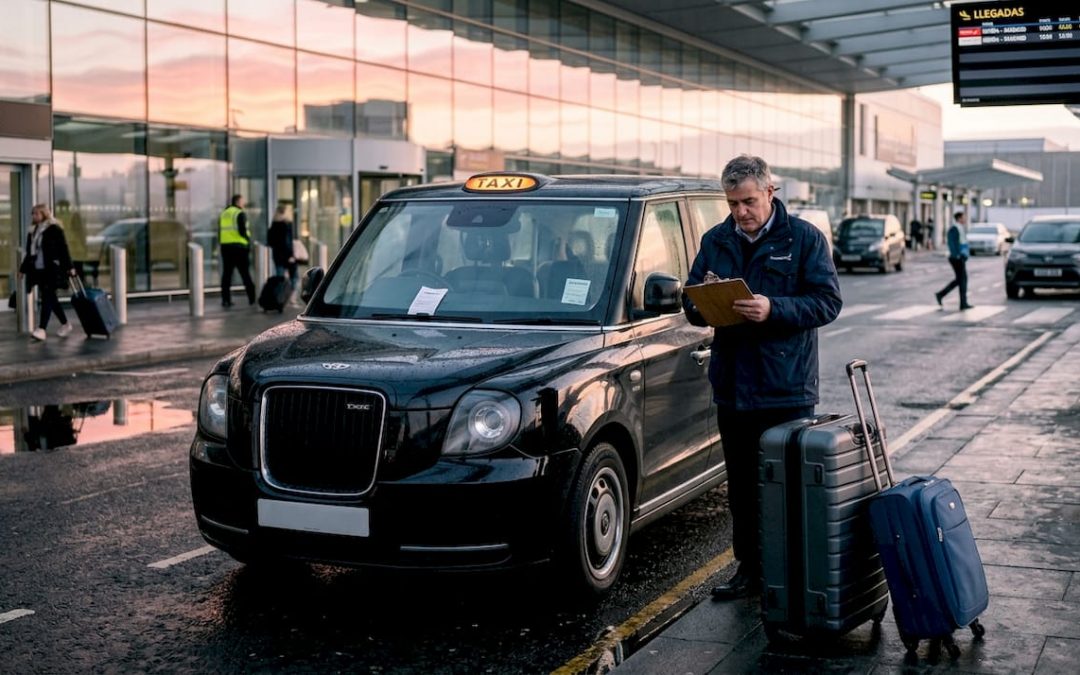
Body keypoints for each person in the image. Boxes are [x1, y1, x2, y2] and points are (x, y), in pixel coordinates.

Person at [682, 155, 842, 600]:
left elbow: (827, 303)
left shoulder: (804, 238)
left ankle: (790, 573)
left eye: (748, 201)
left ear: (770, 192)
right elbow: (691, 303)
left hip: (785, 387)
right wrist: (702, 301)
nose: (740, 212)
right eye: (732, 203)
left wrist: (774, 309)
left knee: (786, 487)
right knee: (742, 487)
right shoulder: (716, 240)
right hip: (733, 385)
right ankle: (749, 571)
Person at [18, 204, 77, 341]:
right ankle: (66, 324)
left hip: (52, 269)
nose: (34, 216)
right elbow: (29, 253)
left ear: (44, 214)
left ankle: (41, 329)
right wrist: (22, 270)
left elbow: (64, 249)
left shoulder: (54, 229)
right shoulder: (32, 231)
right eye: (33, 214)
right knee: (51, 299)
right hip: (39, 270)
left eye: (36, 213)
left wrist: (70, 267)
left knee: (47, 297)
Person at [218, 194, 256, 308]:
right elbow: (242, 231)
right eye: (242, 201)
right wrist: (248, 240)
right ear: (238, 201)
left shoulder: (224, 213)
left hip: (226, 247)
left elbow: (220, 230)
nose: (244, 203)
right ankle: (252, 299)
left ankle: (226, 300)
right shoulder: (239, 213)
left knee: (227, 274)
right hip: (239, 247)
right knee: (245, 273)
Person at [935, 211, 973, 310]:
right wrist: (957, 255)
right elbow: (951, 243)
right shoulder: (954, 228)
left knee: (960, 280)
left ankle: (942, 295)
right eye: (963, 217)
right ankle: (962, 303)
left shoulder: (960, 228)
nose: (965, 219)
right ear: (959, 218)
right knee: (962, 279)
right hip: (956, 258)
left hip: (960, 257)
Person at [267, 204, 299, 299]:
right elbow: (288, 242)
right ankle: (292, 296)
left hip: (277, 255)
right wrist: (291, 255)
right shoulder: (287, 224)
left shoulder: (273, 225)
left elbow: (270, 242)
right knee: (294, 277)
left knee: (280, 277)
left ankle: (280, 297)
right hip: (287, 255)